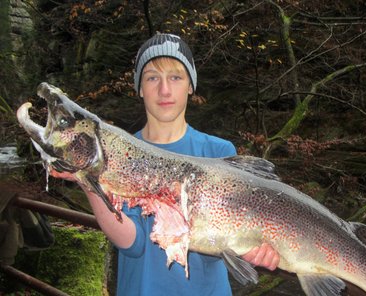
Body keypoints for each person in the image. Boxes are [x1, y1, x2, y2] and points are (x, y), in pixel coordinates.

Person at [50, 33, 279, 295]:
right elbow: (132, 243)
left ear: (190, 86)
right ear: (139, 88)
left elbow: (231, 239)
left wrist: (256, 249)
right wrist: (88, 178)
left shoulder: (219, 153)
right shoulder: (118, 154)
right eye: (152, 78)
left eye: (176, 77)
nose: (164, 90)